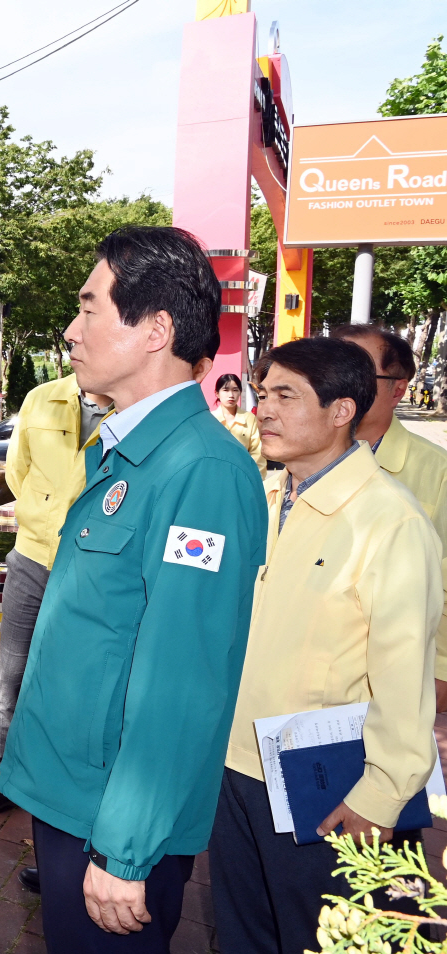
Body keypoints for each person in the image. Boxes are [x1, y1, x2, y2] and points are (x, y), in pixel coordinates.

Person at [0, 226, 268, 952]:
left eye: (89, 309)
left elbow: (183, 680)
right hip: (74, 796)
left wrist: (127, 849)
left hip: (111, 824)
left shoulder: (200, 471)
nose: (70, 330)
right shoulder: (129, 454)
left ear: (156, 329)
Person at [208, 336, 442, 954]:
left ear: (342, 411)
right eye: (262, 394)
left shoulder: (390, 521)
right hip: (234, 769)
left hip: (325, 785)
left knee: (320, 939)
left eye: (286, 395)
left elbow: (403, 675)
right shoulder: (263, 497)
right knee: (240, 936)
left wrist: (381, 794)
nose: (264, 410)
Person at [0, 373, 113, 828]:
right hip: (30, 556)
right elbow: (16, 470)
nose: (78, 346)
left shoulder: (132, 405)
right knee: (12, 678)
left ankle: (63, 795)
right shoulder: (42, 399)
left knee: (79, 685)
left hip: (91, 566)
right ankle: (5, 779)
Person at [330, 324, 447, 712]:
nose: (338, 382)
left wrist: (441, 670)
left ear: (398, 388)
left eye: (357, 371)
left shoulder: (437, 472)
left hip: (387, 679)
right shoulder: (292, 460)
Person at [211, 372, 267, 478]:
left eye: (235, 390)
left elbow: (258, 454)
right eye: (226, 390)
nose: (231, 395)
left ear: (240, 392)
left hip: (244, 478)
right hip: (215, 477)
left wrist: (255, 480)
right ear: (217, 393)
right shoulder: (210, 420)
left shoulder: (250, 419)